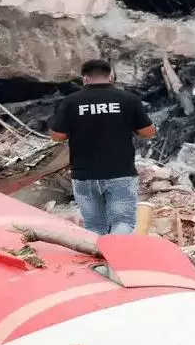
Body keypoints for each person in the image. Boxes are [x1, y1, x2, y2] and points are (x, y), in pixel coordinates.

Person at [49, 59, 157, 235]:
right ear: (111, 76)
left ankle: (98, 253)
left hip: (84, 174)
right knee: (122, 222)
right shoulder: (128, 99)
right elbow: (148, 132)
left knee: (94, 227)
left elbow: (56, 136)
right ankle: (117, 254)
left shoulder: (71, 102)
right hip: (120, 173)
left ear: (84, 78)